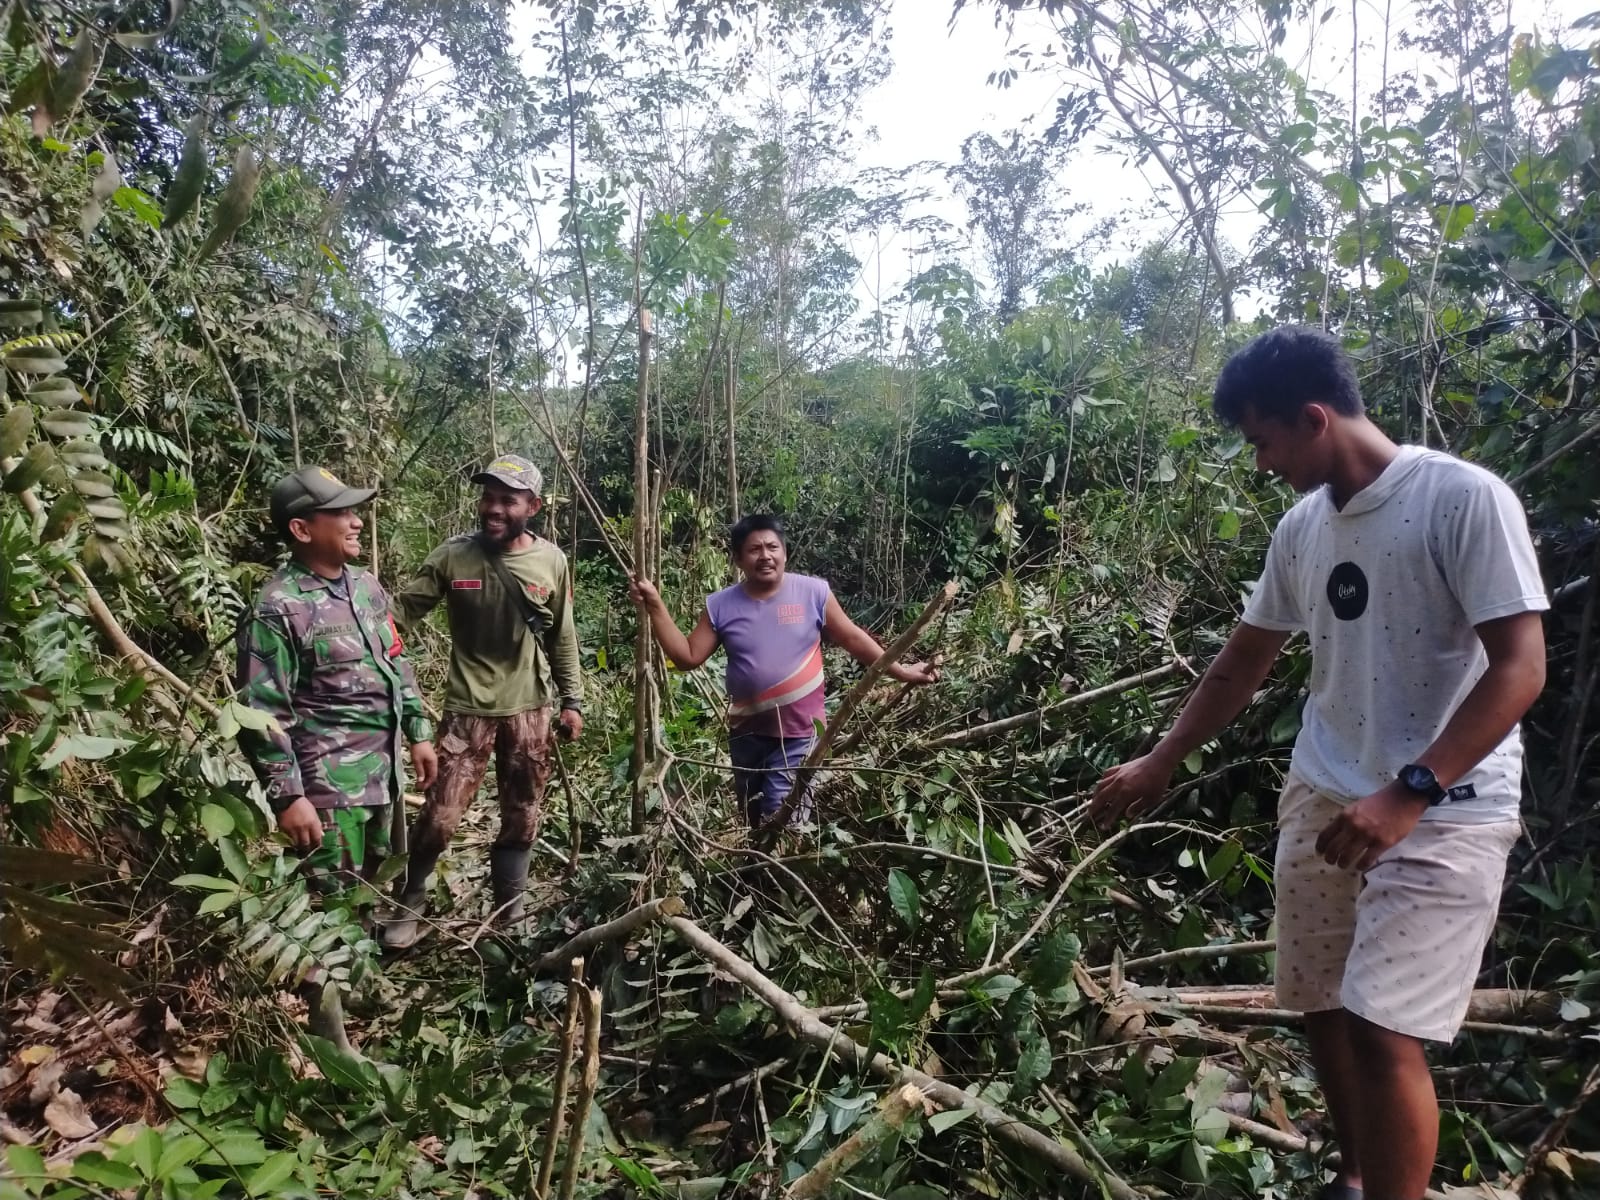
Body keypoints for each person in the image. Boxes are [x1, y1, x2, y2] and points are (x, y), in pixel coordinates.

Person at [1090, 327, 1547, 1200]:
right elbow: (1244, 659)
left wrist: (1412, 790)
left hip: (1445, 808)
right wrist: (1161, 759)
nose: (1259, 463)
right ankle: (1358, 1172)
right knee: (1324, 1005)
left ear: (1312, 418)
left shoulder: (1462, 500)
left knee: (1383, 1027)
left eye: (1262, 441)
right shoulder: (1303, 528)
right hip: (1325, 790)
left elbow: (1522, 669)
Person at [236, 466, 438, 1053]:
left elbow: (396, 663)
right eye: (341, 514)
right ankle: (330, 1039)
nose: (356, 521)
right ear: (301, 528)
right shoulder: (277, 609)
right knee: (329, 908)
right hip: (326, 791)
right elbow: (262, 711)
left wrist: (419, 734)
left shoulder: (366, 587)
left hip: (382, 777)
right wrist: (288, 795)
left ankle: (359, 988)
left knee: (370, 892)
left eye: (355, 511)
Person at [381, 454, 584, 950]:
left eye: (507, 500)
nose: (493, 508)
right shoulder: (453, 556)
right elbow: (399, 615)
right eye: (488, 497)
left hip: (530, 709)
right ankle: (412, 898)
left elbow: (563, 636)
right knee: (441, 814)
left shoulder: (550, 561)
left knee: (523, 813)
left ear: (532, 506)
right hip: (467, 710)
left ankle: (508, 912)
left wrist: (572, 700)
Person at [629, 514, 939, 828]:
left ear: (785, 552)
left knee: (781, 820)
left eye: (772, 547)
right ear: (738, 558)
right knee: (752, 818)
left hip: (799, 734)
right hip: (745, 735)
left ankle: (781, 867)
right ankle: (758, 875)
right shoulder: (720, 605)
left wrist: (899, 670)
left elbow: (852, 637)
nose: (765, 555)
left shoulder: (813, 593)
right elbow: (687, 657)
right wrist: (655, 606)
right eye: (754, 549)